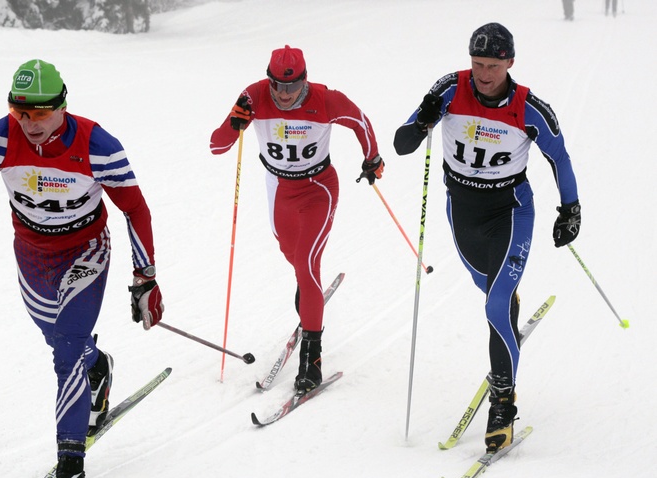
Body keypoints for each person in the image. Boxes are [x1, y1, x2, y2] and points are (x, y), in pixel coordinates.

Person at [0, 59, 164, 478]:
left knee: (65, 350)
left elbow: (135, 210)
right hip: (33, 256)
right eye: (20, 112)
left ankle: (71, 475)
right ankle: (98, 369)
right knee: (61, 341)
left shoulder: (98, 145)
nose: (29, 123)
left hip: (87, 252)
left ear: (63, 106)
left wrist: (146, 276)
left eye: (40, 113)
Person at [393, 23, 580, 453]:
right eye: (477, 64)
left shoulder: (529, 108)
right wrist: (422, 120)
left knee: (495, 306)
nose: (483, 73)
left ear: (510, 63)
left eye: (493, 66)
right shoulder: (449, 90)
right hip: (462, 213)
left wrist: (571, 209)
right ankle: (506, 300)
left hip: (510, 213)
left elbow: (560, 156)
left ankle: (503, 401)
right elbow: (403, 145)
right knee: (493, 294)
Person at [210, 45, 383, 394]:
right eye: (277, 85)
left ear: (305, 80)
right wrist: (235, 123)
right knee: (292, 256)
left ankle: (312, 357)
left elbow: (360, 122)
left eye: (292, 86)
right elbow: (216, 146)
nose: (284, 94)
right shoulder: (254, 95)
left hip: (319, 188)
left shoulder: (325, 99)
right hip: (278, 190)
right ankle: (308, 295)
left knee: (307, 263)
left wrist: (372, 159)